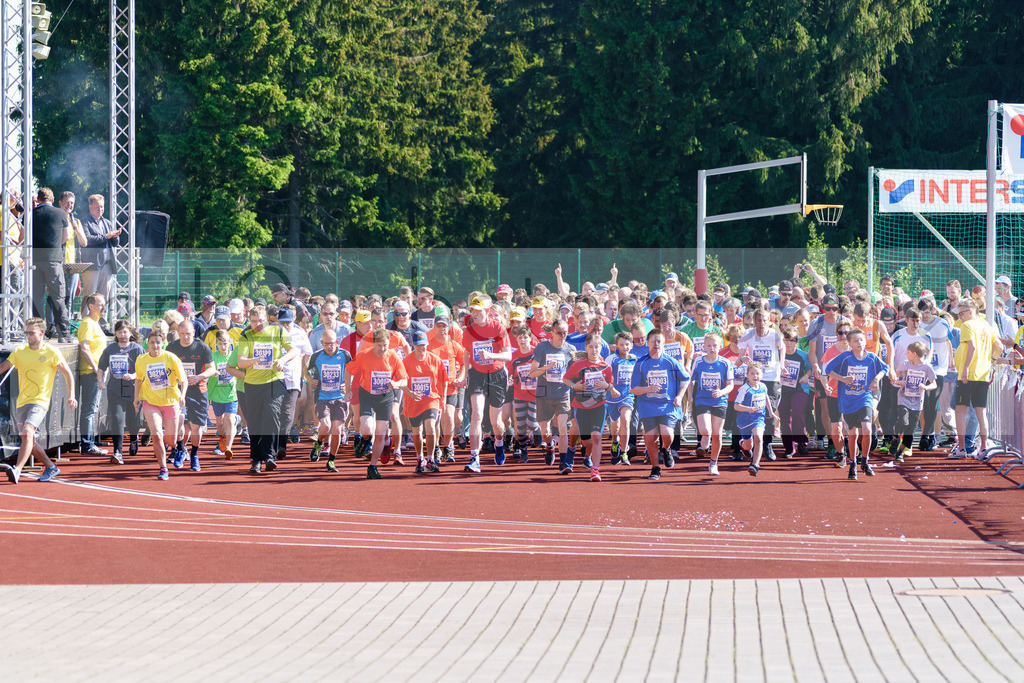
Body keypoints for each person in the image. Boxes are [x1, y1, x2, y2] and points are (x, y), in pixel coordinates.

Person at [0, 317, 77, 484]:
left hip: (40, 401)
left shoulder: (51, 352)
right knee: (29, 440)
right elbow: (2, 368)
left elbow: (68, 373)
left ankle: (17, 470)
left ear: (41, 333)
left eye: (31, 333)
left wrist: (71, 395)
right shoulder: (19, 351)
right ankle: (51, 467)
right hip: (21, 403)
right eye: (26, 332)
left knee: (28, 432)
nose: (28, 336)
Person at [231, 305, 299, 473]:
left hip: (274, 380)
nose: (258, 324)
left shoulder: (278, 330)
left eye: (261, 321)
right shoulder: (246, 333)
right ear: (250, 320)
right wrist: (256, 360)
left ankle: (269, 456)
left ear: (267, 319)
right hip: (252, 383)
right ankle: (256, 459)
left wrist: (282, 360)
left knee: (272, 415)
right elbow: (241, 362)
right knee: (255, 422)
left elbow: (294, 350)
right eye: (254, 321)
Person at [825, 328, 889, 479]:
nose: (859, 343)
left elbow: (885, 368)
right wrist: (842, 379)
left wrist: (876, 379)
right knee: (853, 434)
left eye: (861, 340)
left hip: (865, 397)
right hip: (848, 400)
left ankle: (865, 462)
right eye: (855, 341)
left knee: (867, 429)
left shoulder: (872, 358)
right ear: (850, 343)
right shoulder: (845, 357)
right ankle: (852, 463)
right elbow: (827, 369)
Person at [345, 328, 408, 479]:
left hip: (385, 398)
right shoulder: (364, 356)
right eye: (379, 345)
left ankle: (372, 466)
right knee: (367, 428)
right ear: (373, 344)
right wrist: (348, 389)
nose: (382, 349)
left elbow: (404, 379)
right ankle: (364, 439)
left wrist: (396, 383)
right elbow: (348, 370)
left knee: (380, 433)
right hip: (367, 395)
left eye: (385, 345)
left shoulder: (393, 357)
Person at [630, 328, 690, 481]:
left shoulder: (671, 361)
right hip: (647, 405)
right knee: (651, 437)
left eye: (659, 341)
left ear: (663, 343)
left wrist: (679, 396)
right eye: (653, 341)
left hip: (667, 404)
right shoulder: (641, 363)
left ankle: (666, 449)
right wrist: (648, 389)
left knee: (667, 434)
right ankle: (655, 467)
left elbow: (685, 379)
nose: (656, 344)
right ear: (648, 343)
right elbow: (634, 389)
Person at [463, 296, 512, 473]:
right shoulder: (468, 330)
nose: (475, 314)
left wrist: (491, 356)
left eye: (478, 311)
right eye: (473, 311)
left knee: (495, 421)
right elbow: (467, 353)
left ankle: (499, 441)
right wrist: (464, 375)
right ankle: (474, 457)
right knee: (476, 413)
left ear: (487, 311)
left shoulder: (498, 328)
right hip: (477, 375)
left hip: (497, 375)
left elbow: (508, 356)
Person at [948, 298, 1001, 459]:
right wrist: (991, 361)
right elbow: (998, 346)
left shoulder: (968, 325)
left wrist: (964, 368)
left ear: (971, 312)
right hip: (982, 375)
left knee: (960, 411)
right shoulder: (986, 325)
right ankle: (983, 448)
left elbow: (973, 347)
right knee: (980, 413)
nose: (959, 317)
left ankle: (962, 448)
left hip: (968, 376)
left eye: (962, 314)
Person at [563, 333, 619, 481]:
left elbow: (611, 383)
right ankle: (578, 451)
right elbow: (565, 378)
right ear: (586, 348)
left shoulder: (606, 367)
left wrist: (607, 386)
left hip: (599, 405)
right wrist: (575, 385)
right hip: (580, 405)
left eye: (596, 347)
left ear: (601, 348)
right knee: (587, 441)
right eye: (591, 347)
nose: (594, 350)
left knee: (597, 437)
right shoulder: (578, 365)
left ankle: (595, 470)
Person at [134, 330, 187, 480]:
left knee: (170, 439)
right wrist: (136, 397)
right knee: (156, 434)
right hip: (150, 402)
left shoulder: (171, 358)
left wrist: (182, 396)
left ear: (163, 343)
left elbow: (184, 380)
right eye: (152, 343)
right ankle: (163, 468)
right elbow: (138, 379)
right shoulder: (141, 360)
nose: (155, 345)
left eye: (158, 342)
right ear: (148, 344)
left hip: (170, 402)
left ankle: (178, 447)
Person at [166, 319, 215, 471]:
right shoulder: (172, 347)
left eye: (188, 334)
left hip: (198, 391)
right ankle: (181, 450)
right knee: (180, 422)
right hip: (179, 391)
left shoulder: (202, 347)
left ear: (193, 333)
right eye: (182, 334)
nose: (185, 337)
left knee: (196, 427)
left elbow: (212, 369)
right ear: (178, 334)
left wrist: (200, 376)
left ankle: (194, 454)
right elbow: (165, 368)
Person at [529, 318, 577, 472]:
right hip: (544, 393)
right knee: (545, 432)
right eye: (559, 333)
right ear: (552, 333)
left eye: (565, 333)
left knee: (563, 427)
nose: (562, 336)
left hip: (562, 393)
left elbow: (574, 374)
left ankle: (564, 463)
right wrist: (547, 367)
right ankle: (550, 445)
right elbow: (532, 373)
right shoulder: (542, 347)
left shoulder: (571, 349)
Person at [402, 328, 448, 473]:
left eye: (424, 344)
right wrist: (409, 393)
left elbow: (444, 380)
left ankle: (431, 459)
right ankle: (420, 458)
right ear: (413, 345)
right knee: (417, 431)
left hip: (431, 399)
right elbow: (401, 381)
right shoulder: (407, 361)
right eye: (418, 345)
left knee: (430, 426)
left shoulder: (435, 360)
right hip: (413, 400)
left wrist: (444, 398)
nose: (421, 347)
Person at [97, 320, 144, 463]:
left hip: (133, 389)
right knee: (117, 419)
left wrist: (134, 375)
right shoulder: (110, 349)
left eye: (125, 332)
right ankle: (117, 452)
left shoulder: (137, 349)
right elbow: (101, 368)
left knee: (132, 421)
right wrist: (101, 381)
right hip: (115, 390)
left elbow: (143, 370)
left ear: (130, 333)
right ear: (116, 334)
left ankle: (134, 437)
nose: (122, 335)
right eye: (119, 332)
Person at [306, 329, 351, 472]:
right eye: (326, 344)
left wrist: (347, 385)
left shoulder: (344, 355)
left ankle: (331, 461)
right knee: (325, 426)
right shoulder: (316, 356)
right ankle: (319, 444)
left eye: (332, 344)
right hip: (322, 397)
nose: (329, 347)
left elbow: (353, 371)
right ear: (321, 343)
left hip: (339, 397)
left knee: (337, 429)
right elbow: (305, 370)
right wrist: (310, 379)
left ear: (337, 342)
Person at [31, 188, 72, 342]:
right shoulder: (60, 213)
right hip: (53, 260)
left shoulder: (31, 214)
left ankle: (37, 335)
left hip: (33, 261)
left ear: (38, 200)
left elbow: (24, 236)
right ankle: (64, 335)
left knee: (37, 298)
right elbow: (66, 236)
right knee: (58, 297)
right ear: (53, 199)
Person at [689, 332, 733, 476]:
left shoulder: (725, 363)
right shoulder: (699, 361)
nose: (712, 348)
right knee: (705, 430)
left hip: (720, 401)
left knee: (717, 435)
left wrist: (722, 392)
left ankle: (713, 463)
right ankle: (704, 440)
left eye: (714, 345)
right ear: (704, 346)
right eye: (709, 345)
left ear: (720, 346)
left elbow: (730, 385)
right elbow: (691, 381)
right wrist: (690, 399)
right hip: (702, 400)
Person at [426, 315, 465, 462]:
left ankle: (448, 447)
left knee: (449, 416)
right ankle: (436, 448)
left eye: (444, 326)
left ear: (448, 328)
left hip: (450, 388)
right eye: (439, 326)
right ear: (434, 328)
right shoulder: (429, 346)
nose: (442, 329)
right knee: (435, 420)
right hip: (434, 390)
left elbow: (463, 363)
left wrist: (460, 378)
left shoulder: (454, 345)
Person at [890, 341, 937, 463]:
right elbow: (896, 376)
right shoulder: (905, 364)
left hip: (917, 402)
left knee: (910, 430)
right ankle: (896, 437)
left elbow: (934, 384)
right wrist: (898, 381)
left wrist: (925, 387)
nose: (907, 355)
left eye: (908, 353)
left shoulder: (927, 367)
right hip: (904, 398)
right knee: (903, 421)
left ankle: (900, 452)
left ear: (914, 354)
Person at [76, 194, 120, 318]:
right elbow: (87, 240)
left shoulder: (108, 223)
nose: (100, 209)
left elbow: (115, 243)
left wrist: (115, 236)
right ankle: (86, 321)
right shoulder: (84, 222)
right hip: (92, 264)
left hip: (107, 264)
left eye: (102, 207)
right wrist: (107, 236)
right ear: (90, 207)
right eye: (97, 207)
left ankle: (102, 323)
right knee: (89, 295)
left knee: (103, 297)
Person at [76, 293, 109, 456]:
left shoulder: (95, 323)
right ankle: (87, 444)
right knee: (89, 409)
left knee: (93, 408)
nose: (104, 307)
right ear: (91, 306)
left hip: (96, 372)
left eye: (104, 304)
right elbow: (85, 348)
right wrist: (97, 369)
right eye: (101, 304)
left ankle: (90, 441)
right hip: (91, 373)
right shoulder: (88, 323)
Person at [733, 361, 777, 477]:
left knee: (758, 438)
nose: (755, 376)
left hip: (758, 418)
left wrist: (771, 412)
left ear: (762, 375)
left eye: (757, 374)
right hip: (745, 421)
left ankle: (755, 464)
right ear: (747, 375)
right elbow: (736, 406)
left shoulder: (763, 386)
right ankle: (743, 444)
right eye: (752, 374)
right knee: (749, 446)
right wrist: (749, 408)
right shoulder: (744, 389)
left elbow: (766, 397)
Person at [208, 329, 239, 461]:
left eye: (226, 343)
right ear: (216, 344)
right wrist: (212, 372)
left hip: (231, 394)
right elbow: (207, 369)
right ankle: (222, 438)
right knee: (219, 422)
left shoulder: (233, 356)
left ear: (230, 343)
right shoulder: (213, 356)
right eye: (220, 344)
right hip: (216, 394)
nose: (223, 346)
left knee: (230, 420)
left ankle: (228, 447)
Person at [606, 332, 637, 466]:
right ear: (617, 346)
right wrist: (611, 389)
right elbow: (604, 376)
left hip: (628, 396)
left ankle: (624, 452)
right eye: (621, 344)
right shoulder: (611, 359)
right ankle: (614, 442)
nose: (624, 347)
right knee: (615, 425)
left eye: (627, 344)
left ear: (631, 345)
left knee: (625, 419)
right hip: (613, 396)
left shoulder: (635, 359)